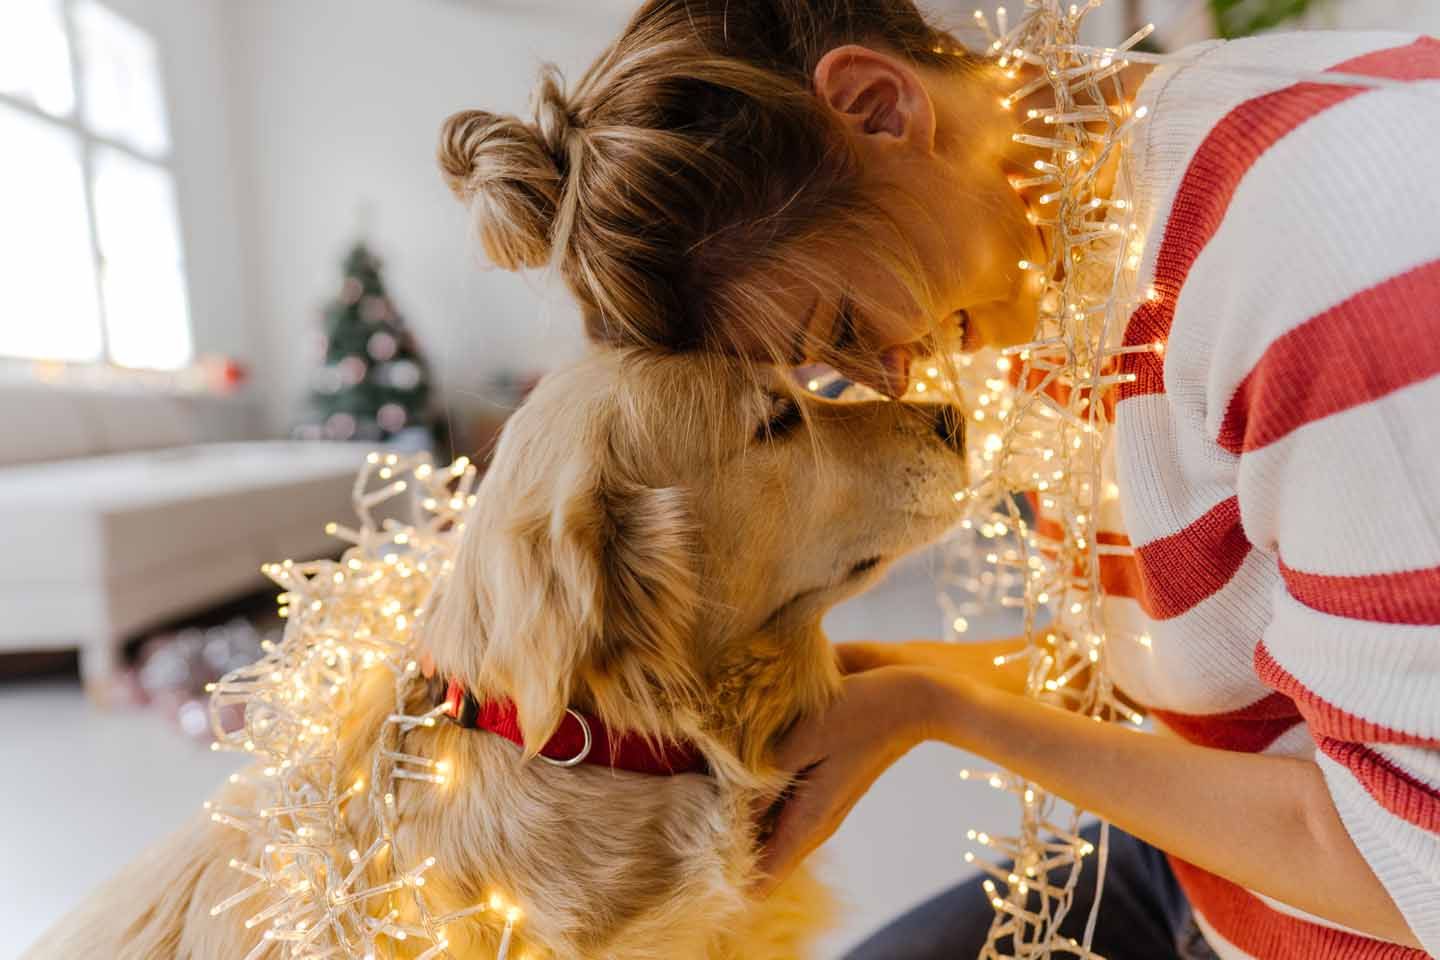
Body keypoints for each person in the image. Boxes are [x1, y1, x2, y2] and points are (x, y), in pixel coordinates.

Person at [436, 2, 1440, 956]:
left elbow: (1414, 869)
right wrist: (897, 682)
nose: (894, 380)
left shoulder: (1335, 256)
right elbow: (1198, 672)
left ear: (880, 105)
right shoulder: (1043, 229)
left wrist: (948, 714)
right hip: (1204, 859)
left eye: (840, 330)